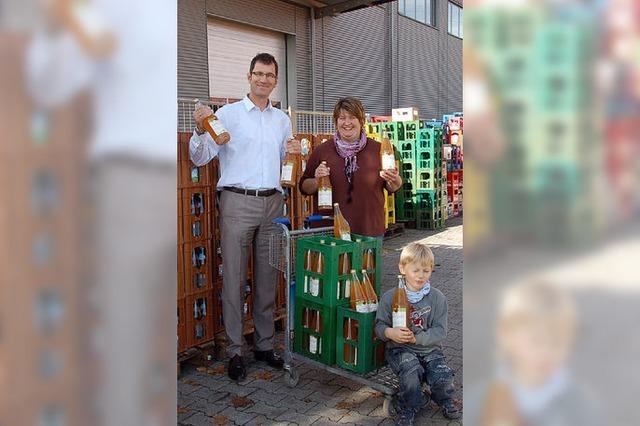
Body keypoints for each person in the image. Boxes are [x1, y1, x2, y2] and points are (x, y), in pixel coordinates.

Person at [190, 53, 300, 381]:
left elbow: (286, 161)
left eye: (270, 75)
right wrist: (199, 131)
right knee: (235, 280)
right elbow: (199, 158)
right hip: (238, 203)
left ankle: (264, 345)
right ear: (248, 76)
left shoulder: (282, 120)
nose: (264, 79)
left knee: (267, 280)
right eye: (258, 74)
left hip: (272, 203)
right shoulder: (228, 115)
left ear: (276, 80)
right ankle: (236, 350)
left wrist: (294, 155)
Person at [375, 242, 461, 425]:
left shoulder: (437, 298)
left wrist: (418, 338)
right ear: (402, 268)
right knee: (410, 371)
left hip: (430, 350)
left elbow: (440, 330)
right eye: (415, 270)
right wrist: (390, 332)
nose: (421, 276)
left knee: (442, 375)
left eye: (426, 270)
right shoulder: (390, 297)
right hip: (400, 350)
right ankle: (409, 406)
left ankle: (445, 400)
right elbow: (379, 326)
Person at [299, 97, 402, 237]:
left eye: (352, 117)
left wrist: (393, 179)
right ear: (336, 122)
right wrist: (317, 181)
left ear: (361, 121)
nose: (347, 123)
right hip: (331, 230)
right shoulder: (322, 151)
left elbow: (394, 186)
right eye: (342, 118)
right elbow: (304, 187)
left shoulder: (379, 150)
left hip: (369, 229)